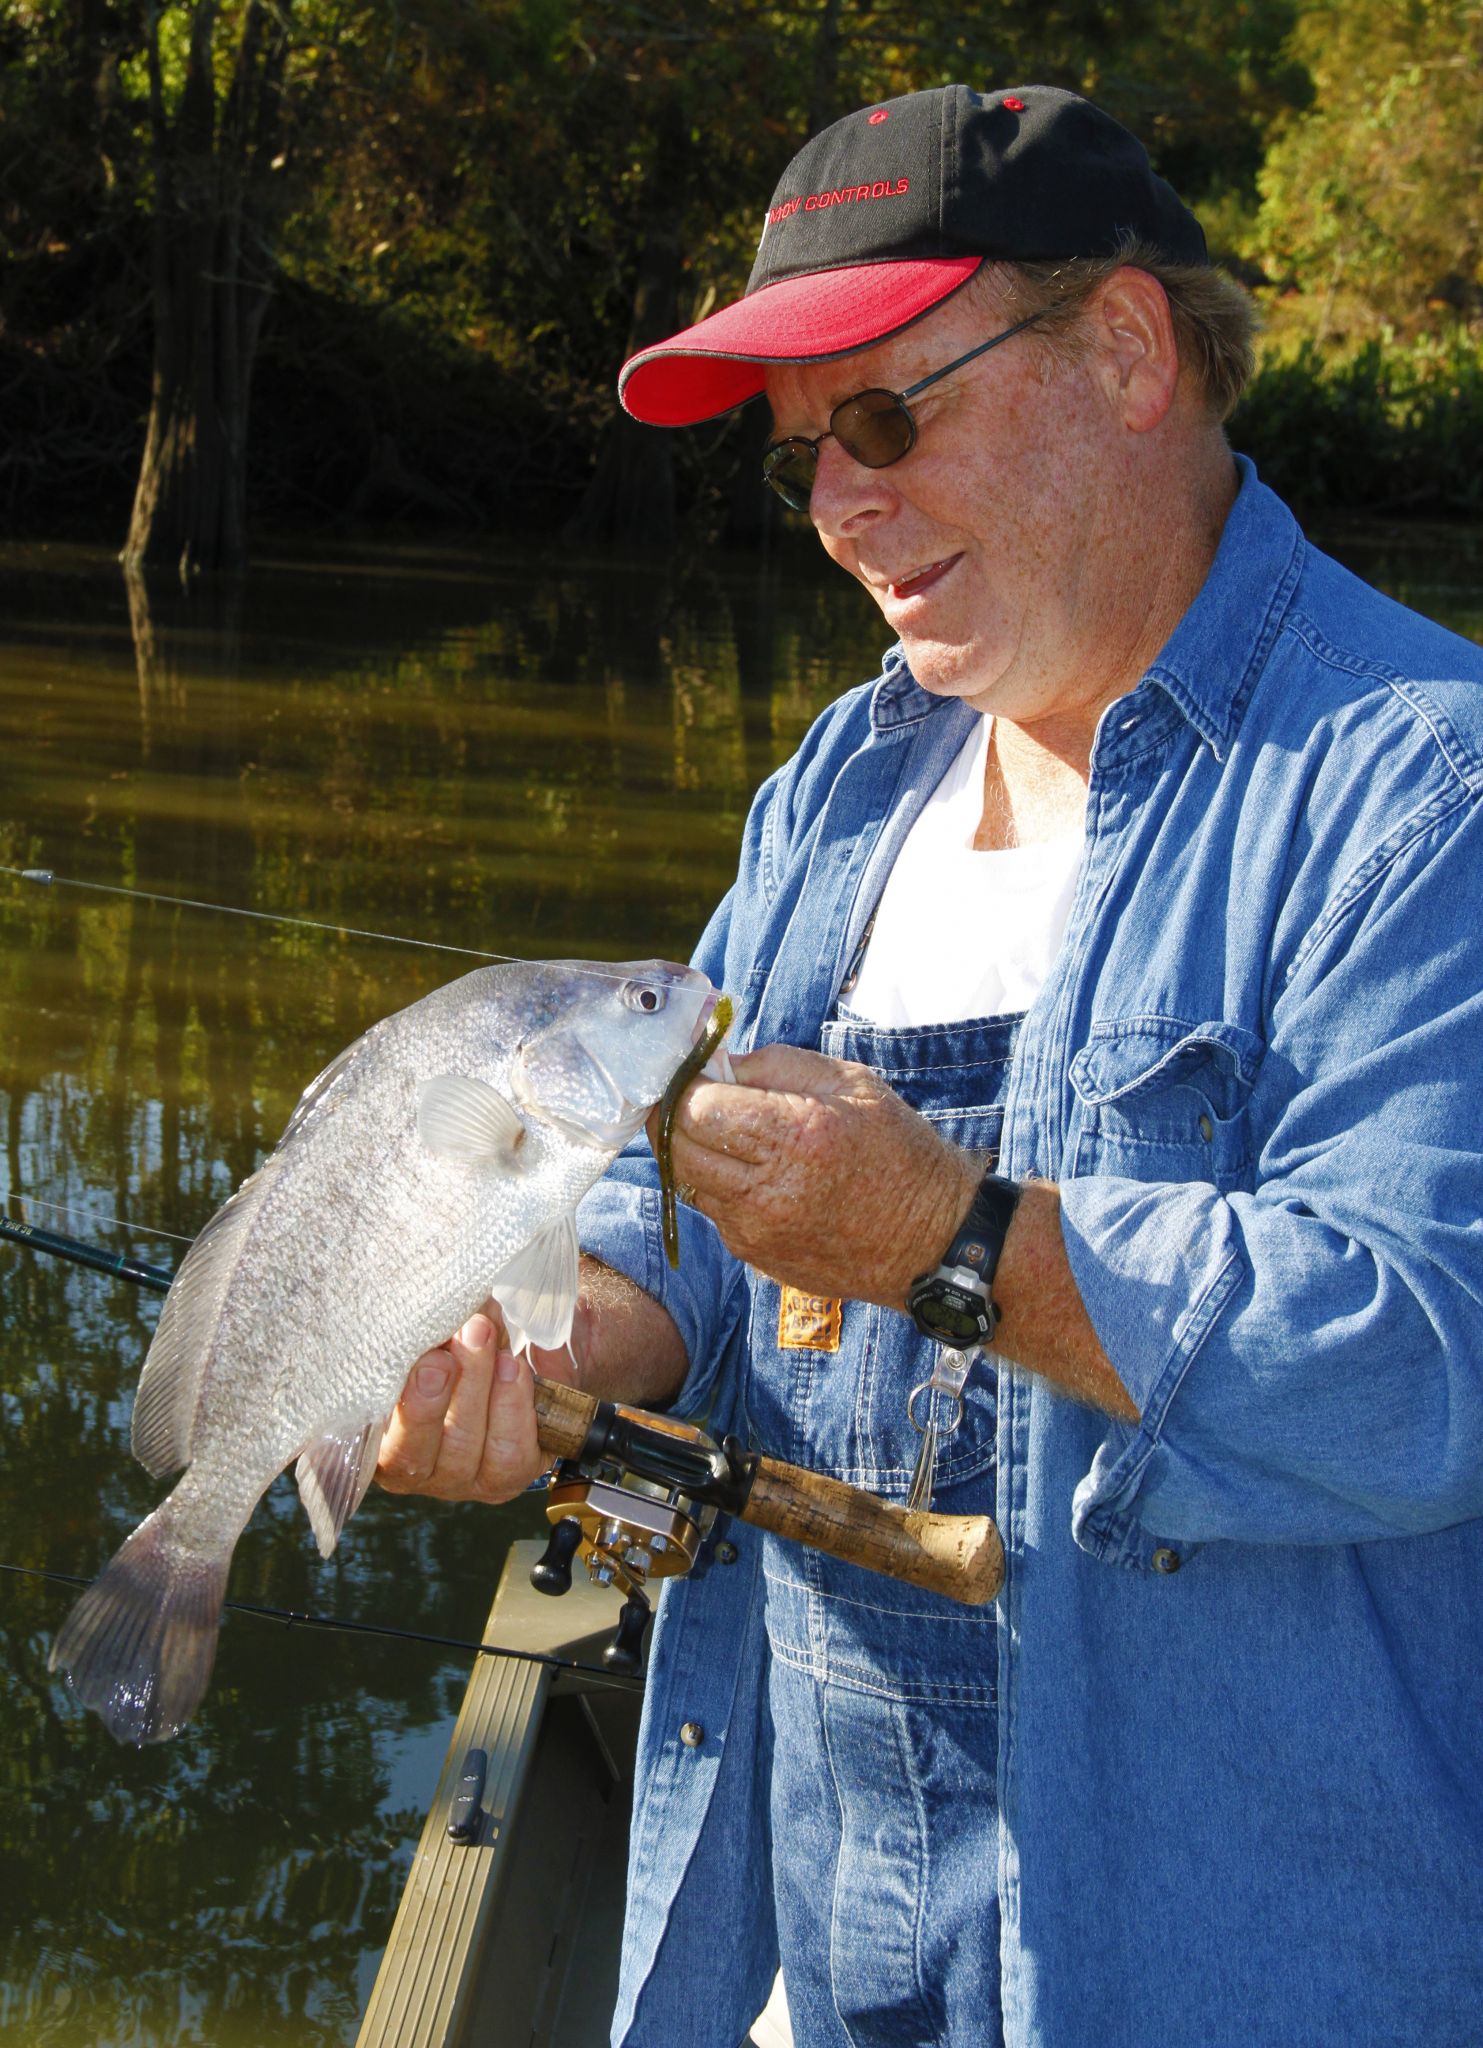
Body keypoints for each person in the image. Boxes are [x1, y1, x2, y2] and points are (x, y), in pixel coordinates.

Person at [376, 83, 1483, 2048]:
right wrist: (573, 1332)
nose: (835, 505)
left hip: (1233, 1963)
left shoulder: (1417, 790)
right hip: (818, 1946)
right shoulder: (840, 784)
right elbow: (680, 1207)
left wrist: (947, 1232)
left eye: (887, 417)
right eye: (800, 455)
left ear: (1127, 349)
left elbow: (1418, 1357)